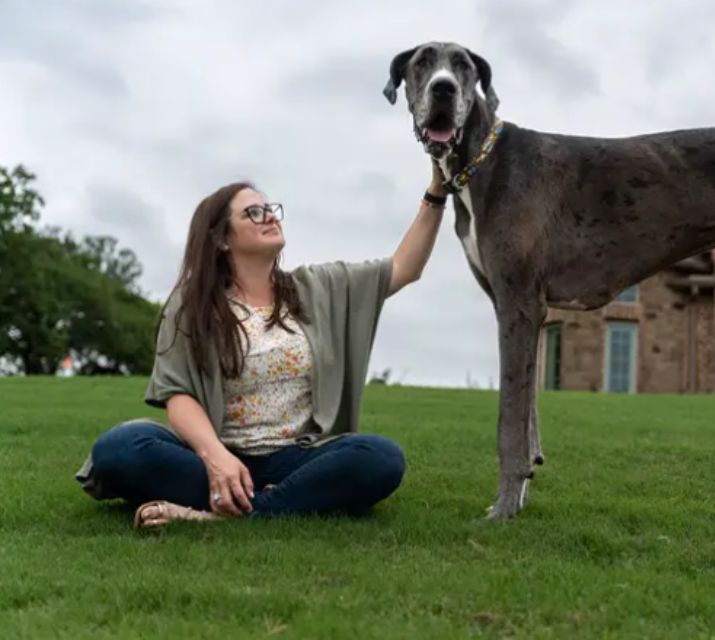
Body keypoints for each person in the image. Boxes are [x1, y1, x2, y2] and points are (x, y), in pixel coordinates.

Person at [75, 163, 448, 527]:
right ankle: (274, 501)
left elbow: (404, 268)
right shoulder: (192, 303)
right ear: (221, 238)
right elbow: (178, 395)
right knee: (120, 448)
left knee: (380, 458)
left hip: (295, 457)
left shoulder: (318, 287)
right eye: (253, 213)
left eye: (269, 209)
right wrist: (216, 457)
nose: (269, 217)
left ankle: (225, 514)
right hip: (213, 456)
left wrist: (437, 192)